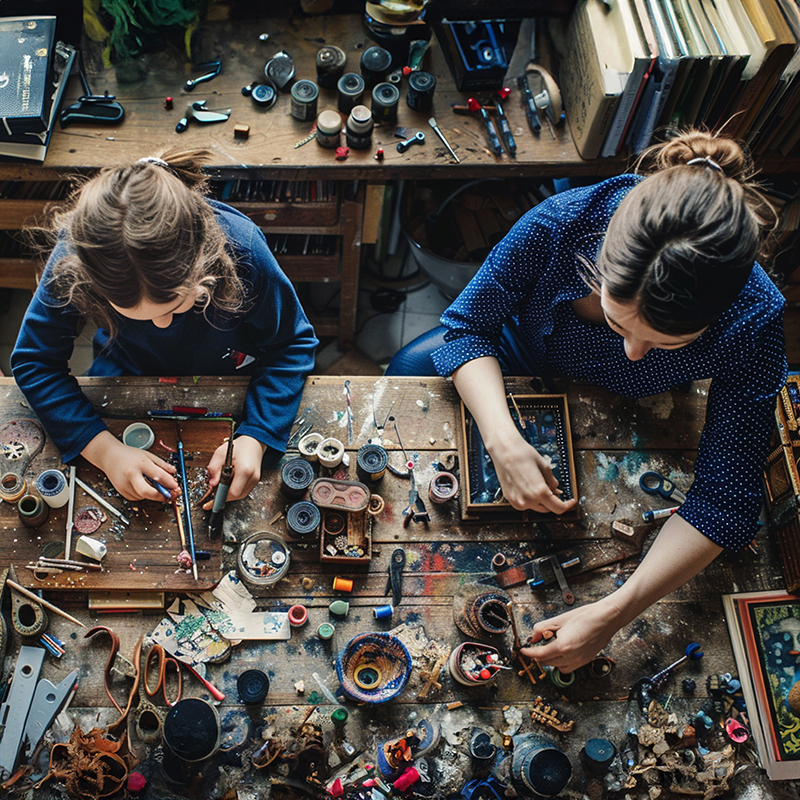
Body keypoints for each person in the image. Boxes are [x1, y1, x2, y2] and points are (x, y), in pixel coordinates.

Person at [387, 129, 787, 672]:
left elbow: (724, 504)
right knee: (409, 372)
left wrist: (612, 614)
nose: (635, 353)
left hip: (644, 407)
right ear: (598, 263)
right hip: (523, 352)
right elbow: (466, 329)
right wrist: (502, 440)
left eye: (668, 344)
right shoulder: (560, 224)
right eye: (621, 323)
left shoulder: (755, 318)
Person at [11, 149, 318, 504]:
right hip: (126, 370)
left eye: (174, 306)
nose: (161, 324)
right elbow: (35, 362)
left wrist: (257, 435)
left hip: (232, 368)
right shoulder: (79, 257)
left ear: (204, 266)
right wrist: (105, 451)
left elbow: (292, 345)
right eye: (131, 312)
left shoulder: (243, 249)